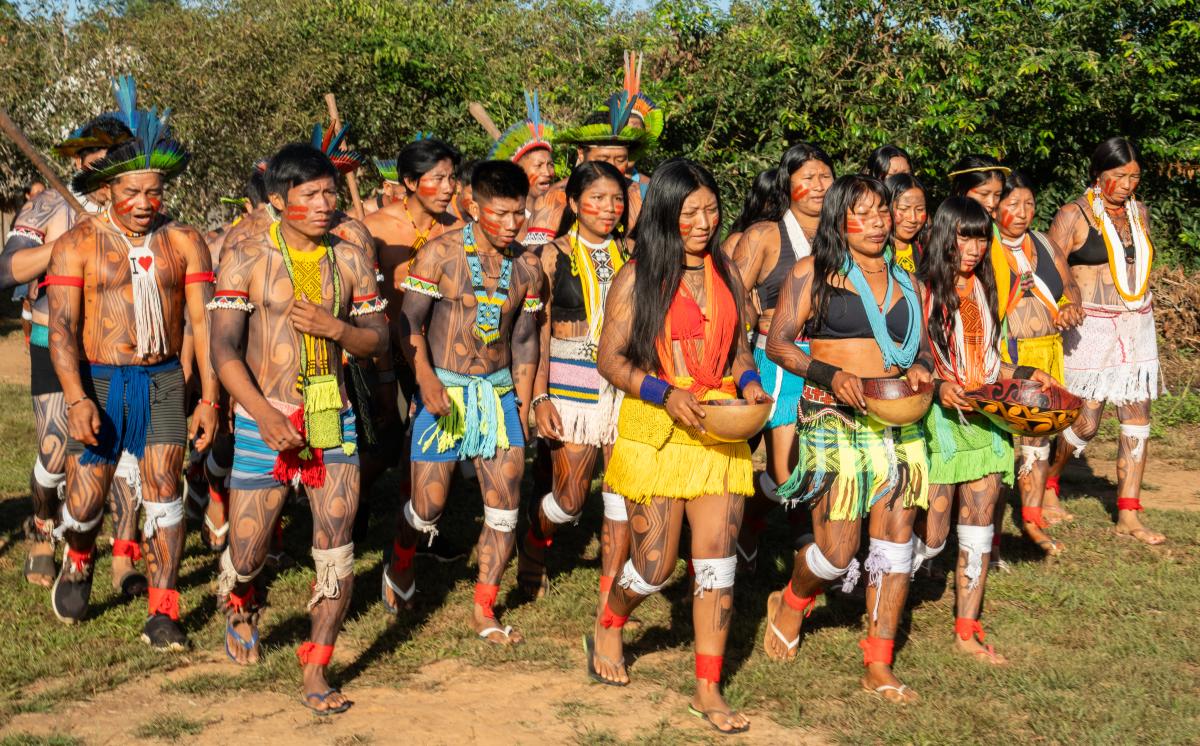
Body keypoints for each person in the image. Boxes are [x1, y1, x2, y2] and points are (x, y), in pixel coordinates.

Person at [209, 142, 388, 714]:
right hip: (265, 419)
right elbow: (224, 350)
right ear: (280, 200)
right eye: (310, 194)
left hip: (332, 419)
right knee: (248, 546)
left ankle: (316, 667)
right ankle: (240, 598)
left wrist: (336, 328)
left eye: (330, 192)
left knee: (336, 549)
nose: (324, 203)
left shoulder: (351, 257)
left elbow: (378, 343)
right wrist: (263, 416)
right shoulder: (246, 256)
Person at [590, 158, 766, 734]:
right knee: (655, 564)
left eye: (712, 209)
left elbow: (740, 350)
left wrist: (749, 383)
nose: (703, 221)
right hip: (657, 431)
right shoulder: (637, 277)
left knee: (716, 562)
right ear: (666, 213)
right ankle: (612, 621)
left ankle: (708, 688)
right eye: (690, 211)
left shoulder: (729, 274)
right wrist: (665, 394)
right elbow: (610, 361)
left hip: (718, 430)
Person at [45, 77, 218, 649]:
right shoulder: (77, 244)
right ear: (106, 190)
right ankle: (78, 557)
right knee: (87, 495)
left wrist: (209, 398)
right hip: (99, 378)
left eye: (155, 191)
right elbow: (63, 329)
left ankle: (163, 610)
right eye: (133, 192)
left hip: (164, 379)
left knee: (164, 488)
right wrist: (75, 399)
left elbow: (202, 323)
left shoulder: (187, 242)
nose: (145, 204)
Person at [761, 175, 933, 703]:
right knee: (837, 553)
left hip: (901, 424)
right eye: (866, 212)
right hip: (832, 420)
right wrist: (829, 376)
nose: (880, 222)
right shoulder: (813, 274)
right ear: (839, 218)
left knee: (894, 545)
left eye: (884, 211)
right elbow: (778, 344)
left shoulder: (910, 281)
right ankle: (792, 599)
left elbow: (922, 349)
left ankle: (878, 662)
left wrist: (924, 370)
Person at [384, 160, 543, 645]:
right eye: (502, 213)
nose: (514, 223)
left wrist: (525, 399)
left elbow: (525, 341)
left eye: (520, 213)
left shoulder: (530, 268)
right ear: (473, 206)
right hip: (443, 392)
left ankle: (484, 606)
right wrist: (426, 381)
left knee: (505, 503)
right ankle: (400, 560)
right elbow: (406, 325)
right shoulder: (439, 255)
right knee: (428, 508)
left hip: (496, 394)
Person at [0, 112, 150, 596]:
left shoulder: (143, 209)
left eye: (117, 160)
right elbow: (7, 272)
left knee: (125, 452)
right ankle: (43, 527)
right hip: (53, 341)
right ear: (82, 162)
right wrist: (67, 246)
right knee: (55, 452)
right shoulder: (49, 209)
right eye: (98, 160)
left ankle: (123, 557)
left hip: (121, 348)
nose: (108, 171)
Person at [914, 196, 1057, 665]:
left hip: (986, 419)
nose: (974, 248)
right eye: (965, 235)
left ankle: (966, 630)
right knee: (933, 537)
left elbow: (990, 361)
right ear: (943, 235)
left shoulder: (987, 286)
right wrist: (937, 386)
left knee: (977, 529)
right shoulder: (918, 288)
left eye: (981, 237)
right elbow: (907, 363)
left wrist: (1026, 372)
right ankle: (869, 576)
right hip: (938, 423)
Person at [1044, 137, 1164, 545]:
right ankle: (1047, 484)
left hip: (1136, 324)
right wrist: (1063, 302)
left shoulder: (1139, 213)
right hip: (1089, 328)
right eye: (1119, 176)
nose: (1128, 184)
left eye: (1134, 177)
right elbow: (1048, 266)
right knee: (1086, 421)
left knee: (1137, 418)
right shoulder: (1073, 215)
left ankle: (1129, 513)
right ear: (1098, 174)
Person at [519, 161, 630, 601]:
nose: (609, 208)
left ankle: (610, 599)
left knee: (621, 498)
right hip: (571, 391)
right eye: (598, 199)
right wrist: (539, 396)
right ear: (573, 203)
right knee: (569, 500)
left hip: (624, 390)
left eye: (617, 199)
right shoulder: (550, 254)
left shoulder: (633, 252)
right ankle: (532, 546)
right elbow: (537, 331)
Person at [727, 143, 834, 571]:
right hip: (776, 361)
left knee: (818, 468)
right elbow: (731, 300)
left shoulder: (841, 232)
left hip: (826, 361)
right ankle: (750, 519)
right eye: (806, 178)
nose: (817, 186)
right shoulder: (764, 236)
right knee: (787, 475)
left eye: (825, 176)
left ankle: (759, 526)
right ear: (787, 183)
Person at [990, 171, 1084, 553]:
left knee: (1037, 440)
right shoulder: (983, 246)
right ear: (995, 207)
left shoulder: (1044, 244)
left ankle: (1032, 520)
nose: (1023, 212)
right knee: (996, 447)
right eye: (1013, 204)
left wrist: (1069, 306)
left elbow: (1070, 285)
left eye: (1029, 203)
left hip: (1046, 353)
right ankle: (989, 537)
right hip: (1005, 357)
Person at [547, 93, 654, 234]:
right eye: (603, 160)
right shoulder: (554, 200)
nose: (612, 167)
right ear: (581, 153)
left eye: (621, 160)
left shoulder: (645, 197)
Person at [489, 91, 557, 245]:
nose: (547, 173)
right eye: (538, 166)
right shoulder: (504, 219)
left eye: (550, 165)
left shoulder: (558, 211)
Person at [884, 173, 929, 273]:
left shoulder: (929, 250)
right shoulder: (875, 254)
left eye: (920, 209)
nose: (913, 219)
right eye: (904, 209)